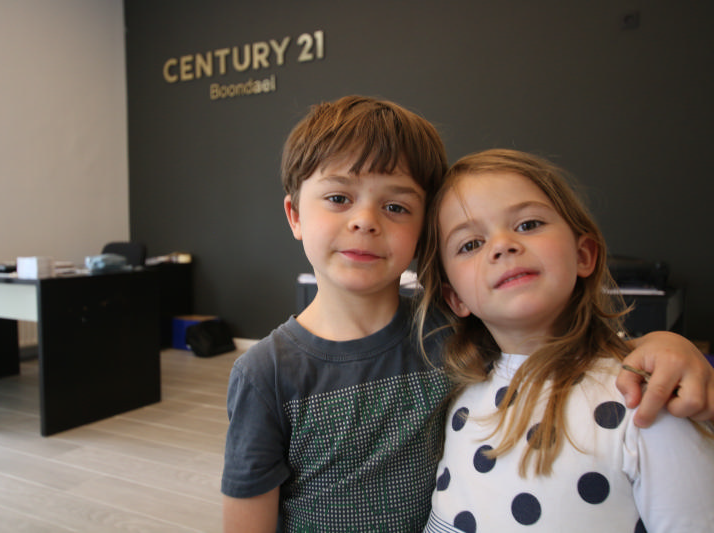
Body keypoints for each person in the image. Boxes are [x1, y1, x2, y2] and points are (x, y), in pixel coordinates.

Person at [221, 97, 714, 533]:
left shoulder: (452, 330)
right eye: (338, 198)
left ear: (422, 233)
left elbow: (558, 348)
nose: (365, 221)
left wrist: (668, 346)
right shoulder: (265, 374)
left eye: (396, 206)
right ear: (295, 215)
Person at [415, 148, 714, 532]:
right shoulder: (454, 391)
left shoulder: (646, 397)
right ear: (454, 298)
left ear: (584, 254)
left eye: (528, 224)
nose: (502, 245)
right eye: (470, 244)